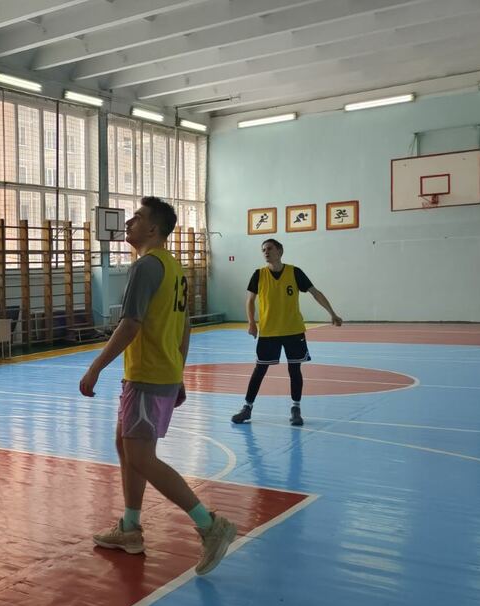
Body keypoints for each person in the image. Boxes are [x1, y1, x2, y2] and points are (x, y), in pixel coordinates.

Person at [79, 197, 236, 576]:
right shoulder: (173, 267)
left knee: (141, 456)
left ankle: (209, 525)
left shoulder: (147, 266)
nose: (128, 222)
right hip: (155, 374)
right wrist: (177, 371)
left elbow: (130, 325)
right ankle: (130, 527)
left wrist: (95, 367)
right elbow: (185, 326)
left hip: (148, 376)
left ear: (153, 229)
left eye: (137, 217)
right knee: (126, 446)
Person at [231, 238, 343, 427]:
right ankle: (247, 408)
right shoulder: (259, 274)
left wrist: (332, 313)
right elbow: (250, 300)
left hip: (293, 330)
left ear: (280, 251)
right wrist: (251, 323)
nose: (266, 252)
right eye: (263, 250)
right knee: (260, 370)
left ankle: (296, 409)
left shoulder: (295, 272)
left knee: (294, 369)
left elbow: (315, 293)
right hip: (269, 331)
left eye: (270, 248)